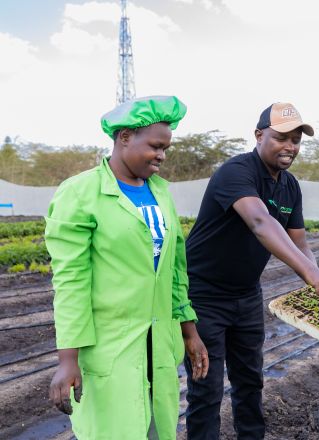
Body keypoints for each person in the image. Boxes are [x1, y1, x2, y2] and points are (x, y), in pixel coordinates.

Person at [184, 102, 319, 439]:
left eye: (296, 140)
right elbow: (260, 222)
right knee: (207, 388)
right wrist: (311, 274)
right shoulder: (236, 172)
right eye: (280, 138)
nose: (289, 146)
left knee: (250, 381)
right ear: (259, 135)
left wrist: (317, 280)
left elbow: (299, 243)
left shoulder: (289, 186)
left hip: (247, 295)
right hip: (204, 295)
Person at [45, 96, 209, 439]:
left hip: (158, 342)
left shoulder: (160, 193)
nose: (162, 155)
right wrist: (67, 359)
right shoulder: (80, 193)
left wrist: (189, 331)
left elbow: (175, 273)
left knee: (155, 428)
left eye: (166, 148)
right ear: (124, 138)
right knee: (115, 429)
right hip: (111, 345)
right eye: (155, 146)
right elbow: (71, 281)